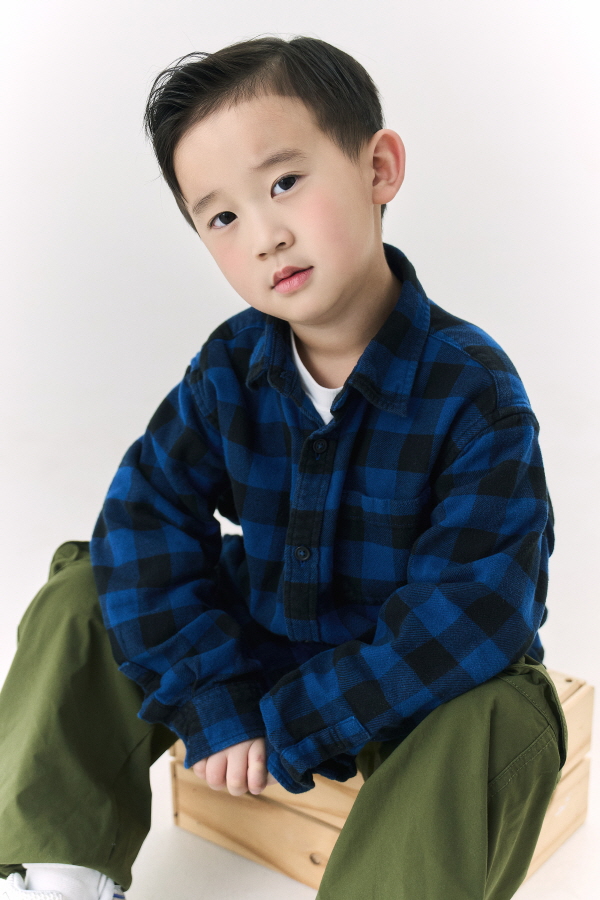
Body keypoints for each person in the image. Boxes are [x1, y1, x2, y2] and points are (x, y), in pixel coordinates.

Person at [0, 34, 568, 900]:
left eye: (284, 183)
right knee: (90, 585)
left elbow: (477, 608)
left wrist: (293, 723)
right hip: (271, 634)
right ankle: (54, 869)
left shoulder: (473, 390)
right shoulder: (229, 367)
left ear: (378, 168)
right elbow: (146, 515)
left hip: (412, 678)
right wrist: (215, 700)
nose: (266, 235)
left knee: (498, 713)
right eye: (222, 218)